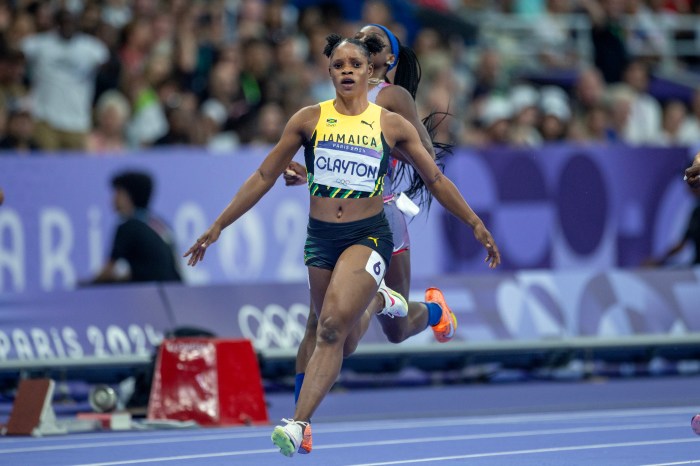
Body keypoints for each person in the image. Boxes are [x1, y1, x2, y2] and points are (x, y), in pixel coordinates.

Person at [184, 34, 500, 457]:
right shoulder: (308, 119)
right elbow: (263, 176)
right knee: (339, 339)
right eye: (338, 65)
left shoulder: (389, 121)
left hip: (367, 234)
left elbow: (435, 179)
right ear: (329, 72)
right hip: (320, 240)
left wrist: (475, 222)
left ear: (370, 71)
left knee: (330, 328)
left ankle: (298, 424)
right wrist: (219, 224)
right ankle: (384, 301)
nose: (347, 70)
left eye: (355, 63)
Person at [283, 23, 458, 408]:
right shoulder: (336, 98)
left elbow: (424, 155)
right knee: (322, 324)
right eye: (358, 38)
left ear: (388, 59)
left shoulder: (392, 96)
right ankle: (300, 419)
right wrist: (308, 172)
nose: (362, 45)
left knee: (394, 332)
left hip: (385, 216)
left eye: (372, 44)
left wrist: (387, 141)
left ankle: (432, 311)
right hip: (337, 220)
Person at [87, 171, 182, 284]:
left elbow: (108, 271)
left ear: (129, 196)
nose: (113, 199)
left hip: (151, 294)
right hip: (176, 290)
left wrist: (85, 286)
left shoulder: (128, 227)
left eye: (118, 192)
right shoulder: (160, 224)